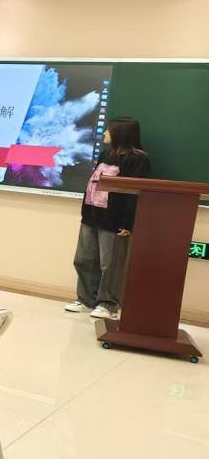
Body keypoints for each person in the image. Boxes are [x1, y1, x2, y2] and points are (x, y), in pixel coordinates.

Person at [67, 117, 151, 319]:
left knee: (110, 265)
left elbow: (135, 193)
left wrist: (127, 222)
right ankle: (86, 299)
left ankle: (108, 304)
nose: (104, 133)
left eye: (108, 130)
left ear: (120, 133)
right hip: (91, 215)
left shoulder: (138, 159)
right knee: (84, 259)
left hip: (114, 220)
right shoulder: (106, 154)